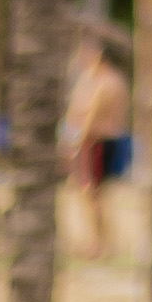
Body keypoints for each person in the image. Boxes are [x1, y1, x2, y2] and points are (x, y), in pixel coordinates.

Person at [61, 24, 131, 259]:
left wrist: (74, 143)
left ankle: (99, 244)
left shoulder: (103, 83)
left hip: (95, 142)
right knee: (95, 196)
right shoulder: (113, 81)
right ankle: (100, 242)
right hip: (104, 140)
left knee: (92, 195)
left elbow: (89, 117)